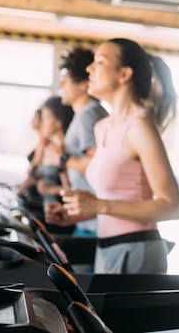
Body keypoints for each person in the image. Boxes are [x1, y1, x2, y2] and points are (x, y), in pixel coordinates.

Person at [46, 38, 179, 274]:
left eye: (100, 62)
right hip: (107, 246)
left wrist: (98, 204)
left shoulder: (140, 126)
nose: (89, 68)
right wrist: (74, 216)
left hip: (138, 249)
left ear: (124, 74)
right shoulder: (102, 127)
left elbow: (171, 207)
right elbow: (113, 199)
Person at [57, 46, 109, 236]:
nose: (61, 85)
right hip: (87, 219)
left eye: (67, 79)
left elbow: (100, 164)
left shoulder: (89, 114)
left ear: (82, 84)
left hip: (95, 223)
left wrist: (63, 158)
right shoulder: (83, 115)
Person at [30, 95, 76, 234]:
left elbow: (75, 188)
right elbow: (33, 175)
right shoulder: (47, 146)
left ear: (58, 121)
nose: (41, 123)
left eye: (46, 118)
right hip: (49, 211)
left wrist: (51, 189)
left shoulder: (68, 151)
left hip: (65, 216)